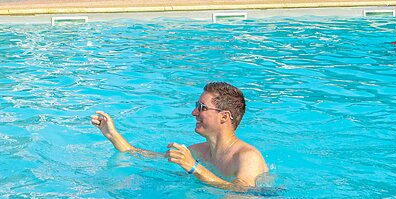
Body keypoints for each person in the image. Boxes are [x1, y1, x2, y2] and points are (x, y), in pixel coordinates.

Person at [91, 81, 269, 192]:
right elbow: (141, 155)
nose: (194, 113)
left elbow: (242, 194)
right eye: (196, 106)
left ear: (224, 116)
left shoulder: (246, 157)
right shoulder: (198, 151)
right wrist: (112, 134)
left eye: (202, 108)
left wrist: (194, 168)